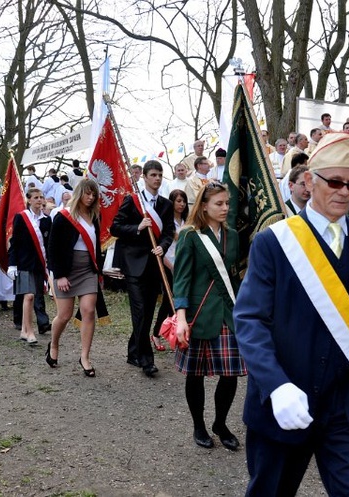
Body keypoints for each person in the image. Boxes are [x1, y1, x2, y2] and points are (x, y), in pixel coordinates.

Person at [233, 133, 349, 495]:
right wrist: (276, 386)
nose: (344, 191)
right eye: (334, 181)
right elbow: (250, 321)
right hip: (286, 403)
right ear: (309, 181)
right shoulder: (274, 242)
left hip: (347, 407)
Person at [173, 182, 245, 450]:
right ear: (204, 205)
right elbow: (181, 279)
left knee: (231, 373)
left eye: (227, 203)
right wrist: (181, 316)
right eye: (219, 203)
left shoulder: (233, 236)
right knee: (196, 374)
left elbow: (234, 278)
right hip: (199, 314)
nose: (225, 208)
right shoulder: (190, 236)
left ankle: (221, 423)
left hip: (227, 312)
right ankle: (199, 426)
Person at [111, 160, 175, 378]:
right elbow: (115, 227)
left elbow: (168, 232)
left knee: (147, 312)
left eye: (160, 175)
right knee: (139, 311)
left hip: (154, 265)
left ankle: (133, 352)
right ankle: (147, 360)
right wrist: (137, 228)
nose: (157, 178)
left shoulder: (166, 205)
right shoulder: (133, 201)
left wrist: (162, 246)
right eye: (153, 175)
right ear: (145, 177)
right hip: (133, 264)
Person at [47, 179, 104, 377]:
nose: (90, 198)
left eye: (93, 195)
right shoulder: (63, 217)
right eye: (87, 194)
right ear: (79, 193)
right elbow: (53, 249)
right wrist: (60, 275)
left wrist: (99, 270)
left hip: (88, 270)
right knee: (64, 315)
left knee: (88, 311)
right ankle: (54, 344)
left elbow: (96, 246)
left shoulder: (95, 216)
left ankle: (85, 357)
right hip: (66, 270)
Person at [8, 187, 52, 345]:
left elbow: (48, 245)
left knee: (36, 296)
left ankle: (23, 331)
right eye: (36, 197)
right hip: (23, 262)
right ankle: (30, 331)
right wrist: (12, 264)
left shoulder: (47, 220)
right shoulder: (21, 217)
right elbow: (15, 242)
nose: (39, 200)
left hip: (40, 264)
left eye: (41, 197)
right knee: (29, 296)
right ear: (28, 200)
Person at [153, 188, 189, 351]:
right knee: (169, 301)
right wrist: (172, 267)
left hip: (184, 265)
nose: (181, 204)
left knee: (182, 300)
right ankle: (156, 333)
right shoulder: (166, 222)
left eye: (183, 201)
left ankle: (176, 330)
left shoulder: (187, 221)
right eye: (178, 201)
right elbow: (163, 247)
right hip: (169, 264)